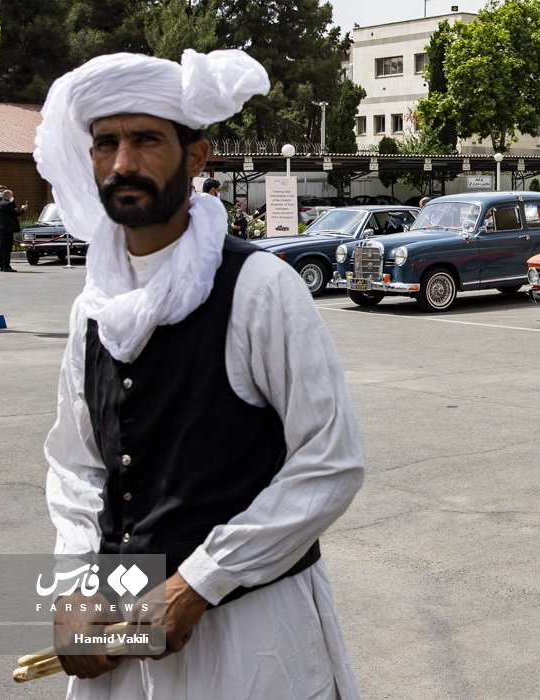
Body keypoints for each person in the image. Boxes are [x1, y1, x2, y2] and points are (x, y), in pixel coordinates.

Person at [34, 49, 365, 698]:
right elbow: (78, 465)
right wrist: (76, 582)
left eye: (146, 140)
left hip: (250, 637)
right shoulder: (92, 310)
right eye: (106, 143)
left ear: (198, 156)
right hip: (125, 637)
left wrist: (200, 582)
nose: (123, 163)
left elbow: (331, 461)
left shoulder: (259, 288)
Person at [0, 189, 27, 272]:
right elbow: (16, 213)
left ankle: (1, 266)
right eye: (11, 196)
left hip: (1, 229)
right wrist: (23, 209)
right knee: (7, 249)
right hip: (7, 229)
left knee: (2, 249)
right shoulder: (7, 204)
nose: (12, 197)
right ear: (7, 196)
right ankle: (6, 266)